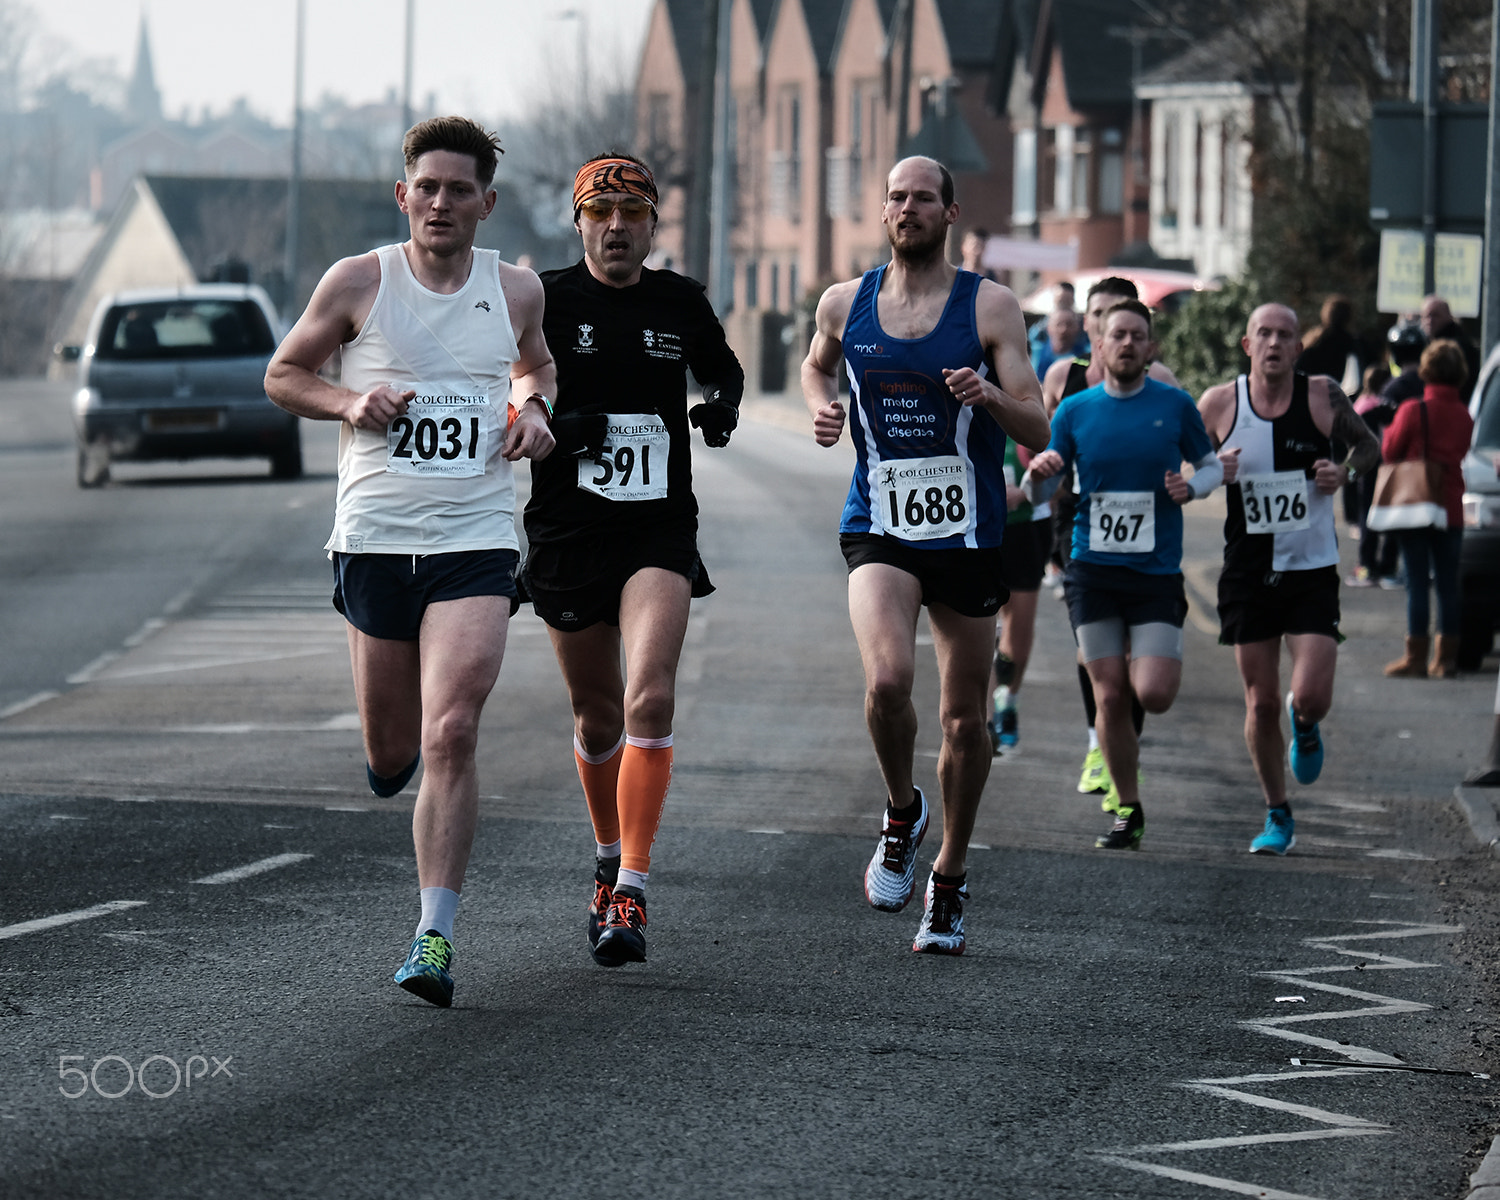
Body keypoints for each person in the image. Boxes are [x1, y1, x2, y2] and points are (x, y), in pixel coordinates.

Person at [264, 116, 557, 1008]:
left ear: (485, 203)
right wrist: (351, 401)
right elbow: (283, 375)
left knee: (452, 731)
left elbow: (533, 367)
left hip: (475, 539)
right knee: (394, 752)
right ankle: (391, 766)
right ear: (404, 196)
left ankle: (434, 936)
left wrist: (535, 410)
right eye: (425, 187)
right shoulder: (359, 281)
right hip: (377, 542)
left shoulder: (515, 289)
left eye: (457, 189)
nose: (440, 202)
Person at [801, 155, 1050, 954]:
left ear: (949, 213)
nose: (907, 209)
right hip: (879, 519)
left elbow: (1038, 425)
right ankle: (902, 810)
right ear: (884, 214)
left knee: (965, 720)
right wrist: (822, 406)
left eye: (922, 198)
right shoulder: (846, 302)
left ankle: (949, 875)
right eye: (896, 198)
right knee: (886, 681)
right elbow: (814, 364)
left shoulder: (992, 308)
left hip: (970, 533)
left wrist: (992, 398)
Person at [523, 151, 744, 968]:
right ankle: (607, 851)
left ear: (654, 224)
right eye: (601, 213)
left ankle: (633, 889)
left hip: (656, 527)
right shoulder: (543, 300)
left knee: (649, 697)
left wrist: (719, 406)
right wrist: (553, 421)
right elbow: (509, 389)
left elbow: (724, 369)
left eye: (633, 214)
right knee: (597, 714)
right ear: (578, 221)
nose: (617, 228)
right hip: (569, 530)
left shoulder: (679, 301)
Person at [1027, 299, 1223, 850]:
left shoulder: (1175, 406)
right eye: (1119, 335)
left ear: (1151, 347)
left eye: (1139, 335)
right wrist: (1040, 474)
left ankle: (1125, 762)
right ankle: (1127, 807)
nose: (1129, 344)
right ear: (1100, 345)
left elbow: (1208, 466)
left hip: (1155, 572)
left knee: (1153, 693)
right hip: (1091, 570)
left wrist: (1195, 487)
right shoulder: (1074, 411)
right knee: (1109, 695)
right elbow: (1044, 489)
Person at [1197, 303, 1381, 855]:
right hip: (1248, 573)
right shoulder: (1219, 402)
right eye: (1264, 334)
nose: (1275, 343)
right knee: (1260, 703)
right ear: (1248, 345)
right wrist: (1212, 471)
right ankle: (1277, 812)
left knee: (1313, 696)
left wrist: (1343, 472)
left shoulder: (1323, 396)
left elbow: (1370, 445)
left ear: (1299, 348)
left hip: (1310, 568)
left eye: (1286, 335)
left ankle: (1306, 724)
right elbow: (1184, 472)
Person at [1040, 277, 1182, 806]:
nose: (1102, 323)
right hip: (1079, 516)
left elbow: (1174, 437)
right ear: (1088, 325)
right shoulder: (1064, 376)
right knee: (1094, 650)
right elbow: (1045, 444)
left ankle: (1121, 742)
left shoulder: (1159, 378)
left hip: (1144, 519)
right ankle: (1097, 741)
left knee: (1131, 650)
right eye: (1095, 314)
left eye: (1113, 314)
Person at [1381, 340, 1474, 679]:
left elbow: (1390, 450)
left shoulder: (1412, 409)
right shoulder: (1465, 414)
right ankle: (1445, 659)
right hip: (1450, 505)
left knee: (1417, 581)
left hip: (1417, 503)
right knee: (1447, 584)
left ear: (1427, 370)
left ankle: (1416, 657)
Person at [986, 434, 1050, 753]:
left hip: (1024, 529)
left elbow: (1059, 477)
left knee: (1019, 624)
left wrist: (1026, 492)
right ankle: (982, 715)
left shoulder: (1028, 395)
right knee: (977, 622)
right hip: (974, 526)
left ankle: (1007, 702)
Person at [1295, 294, 1360, 394]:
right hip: (1334, 394)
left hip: (1306, 392)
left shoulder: (1313, 339)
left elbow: (1298, 366)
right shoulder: (1351, 342)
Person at [1421, 295, 1480, 393]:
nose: (1430, 320)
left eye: (1436, 315)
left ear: (1449, 316)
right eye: (1426, 316)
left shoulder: (1456, 346)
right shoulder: (1426, 342)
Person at [1028, 281, 1088, 367]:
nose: (1063, 330)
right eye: (1060, 301)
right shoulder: (1041, 329)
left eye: (1066, 301)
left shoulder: (1084, 328)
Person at [1033, 306, 1083, 381]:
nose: (1063, 330)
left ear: (1077, 328)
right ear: (1048, 328)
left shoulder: (1085, 356)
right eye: (1058, 324)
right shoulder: (1038, 354)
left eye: (1069, 324)